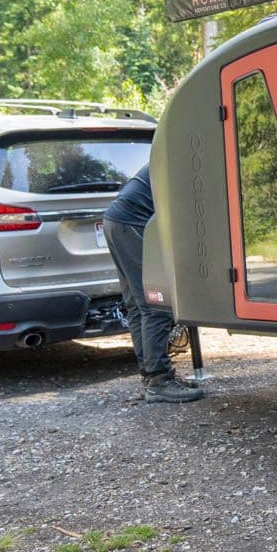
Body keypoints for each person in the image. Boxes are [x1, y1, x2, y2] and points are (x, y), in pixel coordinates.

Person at [103, 165, 205, 403]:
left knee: (138, 306)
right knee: (156, 301)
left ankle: (152, 376)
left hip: (117, 220)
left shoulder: (176, 146)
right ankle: (159, 380)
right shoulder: (194, 153)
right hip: (133, 222)